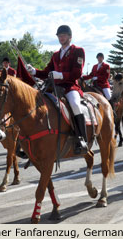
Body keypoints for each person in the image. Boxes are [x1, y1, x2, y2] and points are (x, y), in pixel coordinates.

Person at [26, 25, 87, 155]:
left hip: (70, 86)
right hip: (54, 87)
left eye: (64, 35)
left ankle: (81, 139)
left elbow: (77, 73)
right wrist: (34, 71)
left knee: (75, 105)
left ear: (70, 37)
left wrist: (61, 75)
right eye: (59, 36)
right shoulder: (55, 55)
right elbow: (47, 72)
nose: (61, 38)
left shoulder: (78, 51)